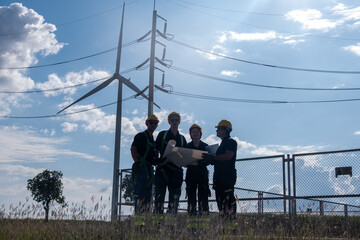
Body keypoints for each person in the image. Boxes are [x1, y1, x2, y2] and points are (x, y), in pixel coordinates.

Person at [200, 120, 237, 221]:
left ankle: (231, 229)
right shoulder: (223, 143)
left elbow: (228, 156)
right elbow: (221, 158)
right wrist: (212, 160)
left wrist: (213, 158)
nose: (217, 130)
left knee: (228, 203)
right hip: (220, 179)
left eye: (219, 128)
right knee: (221, 203)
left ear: (225, 130)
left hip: (226, 179)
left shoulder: (231, 142)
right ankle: (225, 227)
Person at [154, 112, 187, 216]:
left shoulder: (182, 138)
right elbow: (155, 150)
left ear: (179, 122)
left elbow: (186, 155)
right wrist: (157, 160)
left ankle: (170, 226)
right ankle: (157, 225)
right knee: (159, 199)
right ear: (169, 122)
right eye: (172, 120)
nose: (174, 122)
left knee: (174, 201)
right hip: (162, 171)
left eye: (176, 120)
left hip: (176, 173)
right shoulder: (162, 135)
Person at [131, 114, 159, 216]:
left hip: (149, 170)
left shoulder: (153, 140)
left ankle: (145, 220)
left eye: (155, 123)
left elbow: (153, 157)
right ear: (147, 123)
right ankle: (139, 222)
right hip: (140, 169)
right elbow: (133, 149)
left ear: (157, 125)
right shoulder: (140, 136)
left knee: (148, 196)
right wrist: (137, 162)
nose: (153, 125)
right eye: (151, 123)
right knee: (139, 194)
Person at [185, 124, 210, 217]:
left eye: (197, 132)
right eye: (193, 132)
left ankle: (204, 226)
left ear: (200, 134)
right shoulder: (187, 146)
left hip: (202, 175)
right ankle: (192, 226)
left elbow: (210, 160)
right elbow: (183, 161)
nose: (195, 134)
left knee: (203, 200)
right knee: (191, 200)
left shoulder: (205, 146)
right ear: (190, 134)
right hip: (191, 175)